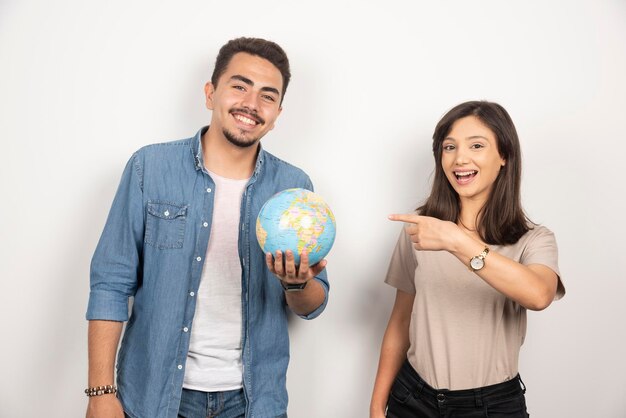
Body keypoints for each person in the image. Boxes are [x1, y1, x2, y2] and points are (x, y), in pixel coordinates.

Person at [85, 37, 330, 418]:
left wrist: (296, 283)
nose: (251, 104)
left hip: (253, 401)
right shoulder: (149, 168)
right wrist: (101, 393)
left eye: (267, 96)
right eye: (239, 86)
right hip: (154, 395)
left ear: (278, 113)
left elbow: (312, 306)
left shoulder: (293, 189)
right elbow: (110, 283)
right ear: (210, 93)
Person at [370, 101, 564, 418]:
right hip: (412, 399)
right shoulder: (421, 229)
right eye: (449, 147)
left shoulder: (534, 239)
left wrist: (457, 241)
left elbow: (539, 295)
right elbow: (400, 321)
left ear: (504, 156)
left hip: (491, 407)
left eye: (476, 145)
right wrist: (377, 406)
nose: (460, 158)